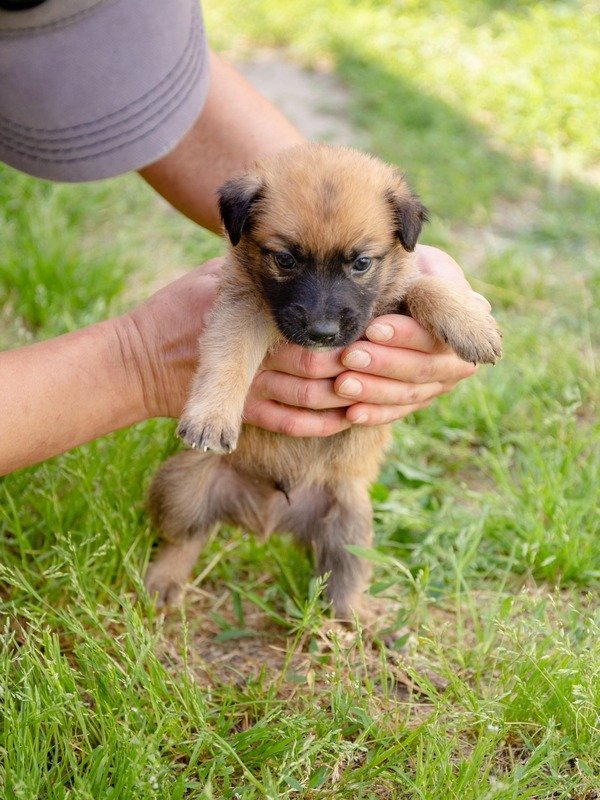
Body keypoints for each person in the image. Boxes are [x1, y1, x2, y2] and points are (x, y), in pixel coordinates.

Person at [0, 0, 488, 476]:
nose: (322, 318)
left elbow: (141, 74)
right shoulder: (259, 234)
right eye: (286, 260)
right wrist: (139, 363)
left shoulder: (375, 219)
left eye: (359, 264)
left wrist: (437, 296)